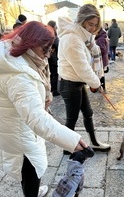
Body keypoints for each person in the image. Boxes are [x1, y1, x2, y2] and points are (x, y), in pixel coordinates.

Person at [0, 21, 88, 197]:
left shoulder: (15, 57)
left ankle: (32, 190)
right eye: (44, 49)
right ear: (30, 44)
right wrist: (72, 140)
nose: (47, 55)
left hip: (17, 127)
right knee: (32, 166)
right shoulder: (19, 76)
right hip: (22, 132)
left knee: (27, 168)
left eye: (50, 50)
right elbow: (36, 118)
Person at [57, 4, 111, 154]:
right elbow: (82, 67)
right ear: (81, 20)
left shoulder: (82, 37)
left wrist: (95, 82)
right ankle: (68, 148)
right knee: (72, 118)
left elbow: (84, 66)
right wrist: (96, 83)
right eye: (90, 24)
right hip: (69, 83)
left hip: (77, 82)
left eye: (95, 25)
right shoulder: (72, 38)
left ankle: (94, 142)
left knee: (88, 112)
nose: (93, 28)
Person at [47, 20, 60, 96]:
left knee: (53, 74)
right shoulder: (51, 35)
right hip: (53, 58)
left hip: (53, 57)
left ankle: (53, 88)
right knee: (54, 74)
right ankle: (54, 90)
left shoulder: (51, 34)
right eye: (55, 26)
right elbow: (55, 45)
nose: (57, 28)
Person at [95, 27, 109, 93]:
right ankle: (102, 88)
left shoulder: (100, 39)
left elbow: (102, 49)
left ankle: (102, 88)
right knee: (101, 74)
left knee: (101, 75)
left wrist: (94, 50)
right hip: (104, 58)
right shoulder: (103, 37)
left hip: (102, 59)